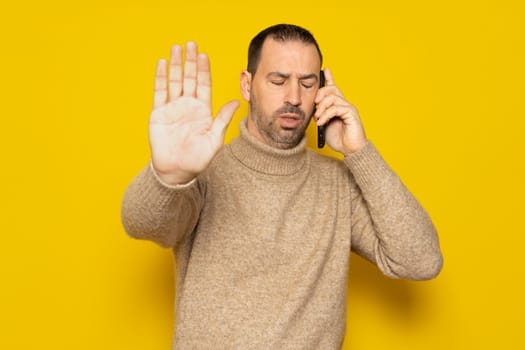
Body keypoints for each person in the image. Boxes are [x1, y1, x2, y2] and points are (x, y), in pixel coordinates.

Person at [121, 24, 443, 349]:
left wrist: (359, 152)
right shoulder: (205, 171)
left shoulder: (338, 185)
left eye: (307, 83)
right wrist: (170, 176)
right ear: (247, 85)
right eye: (278, 81)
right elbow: (143, 224)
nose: (294, 98)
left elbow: (420, 259)